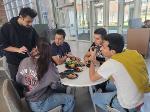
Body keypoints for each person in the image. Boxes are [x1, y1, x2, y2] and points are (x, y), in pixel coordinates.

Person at [89, 33, 150, 112]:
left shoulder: (112, 63)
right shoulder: (133, 53)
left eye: (103, 47)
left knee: (95, 97)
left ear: (113, 51)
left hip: (128, 104)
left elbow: (92, 78)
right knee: (108, 87)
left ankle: (114, 109)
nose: (100, 49)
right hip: (142, 98)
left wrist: (92, 59)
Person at [16, 38, 75, 112]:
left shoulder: (25, 60)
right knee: (70, 98)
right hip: (40, 104)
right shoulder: (49, 66)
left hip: (28, 99)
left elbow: (18, 80)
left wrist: (33, 85)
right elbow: (54, 86)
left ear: (36, 47)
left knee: (61, 91)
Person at [0, 7, 38, 81]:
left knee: (29, 81)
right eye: (28, 21)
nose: (30, 24)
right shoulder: (7, 27)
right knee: (17, 82)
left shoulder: (30, 28)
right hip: (14, 62)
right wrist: (18, 49)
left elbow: (36, 41)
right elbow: (3, 45)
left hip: (28, 60)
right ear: (21, 17)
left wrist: (35, 49)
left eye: (32, 21)